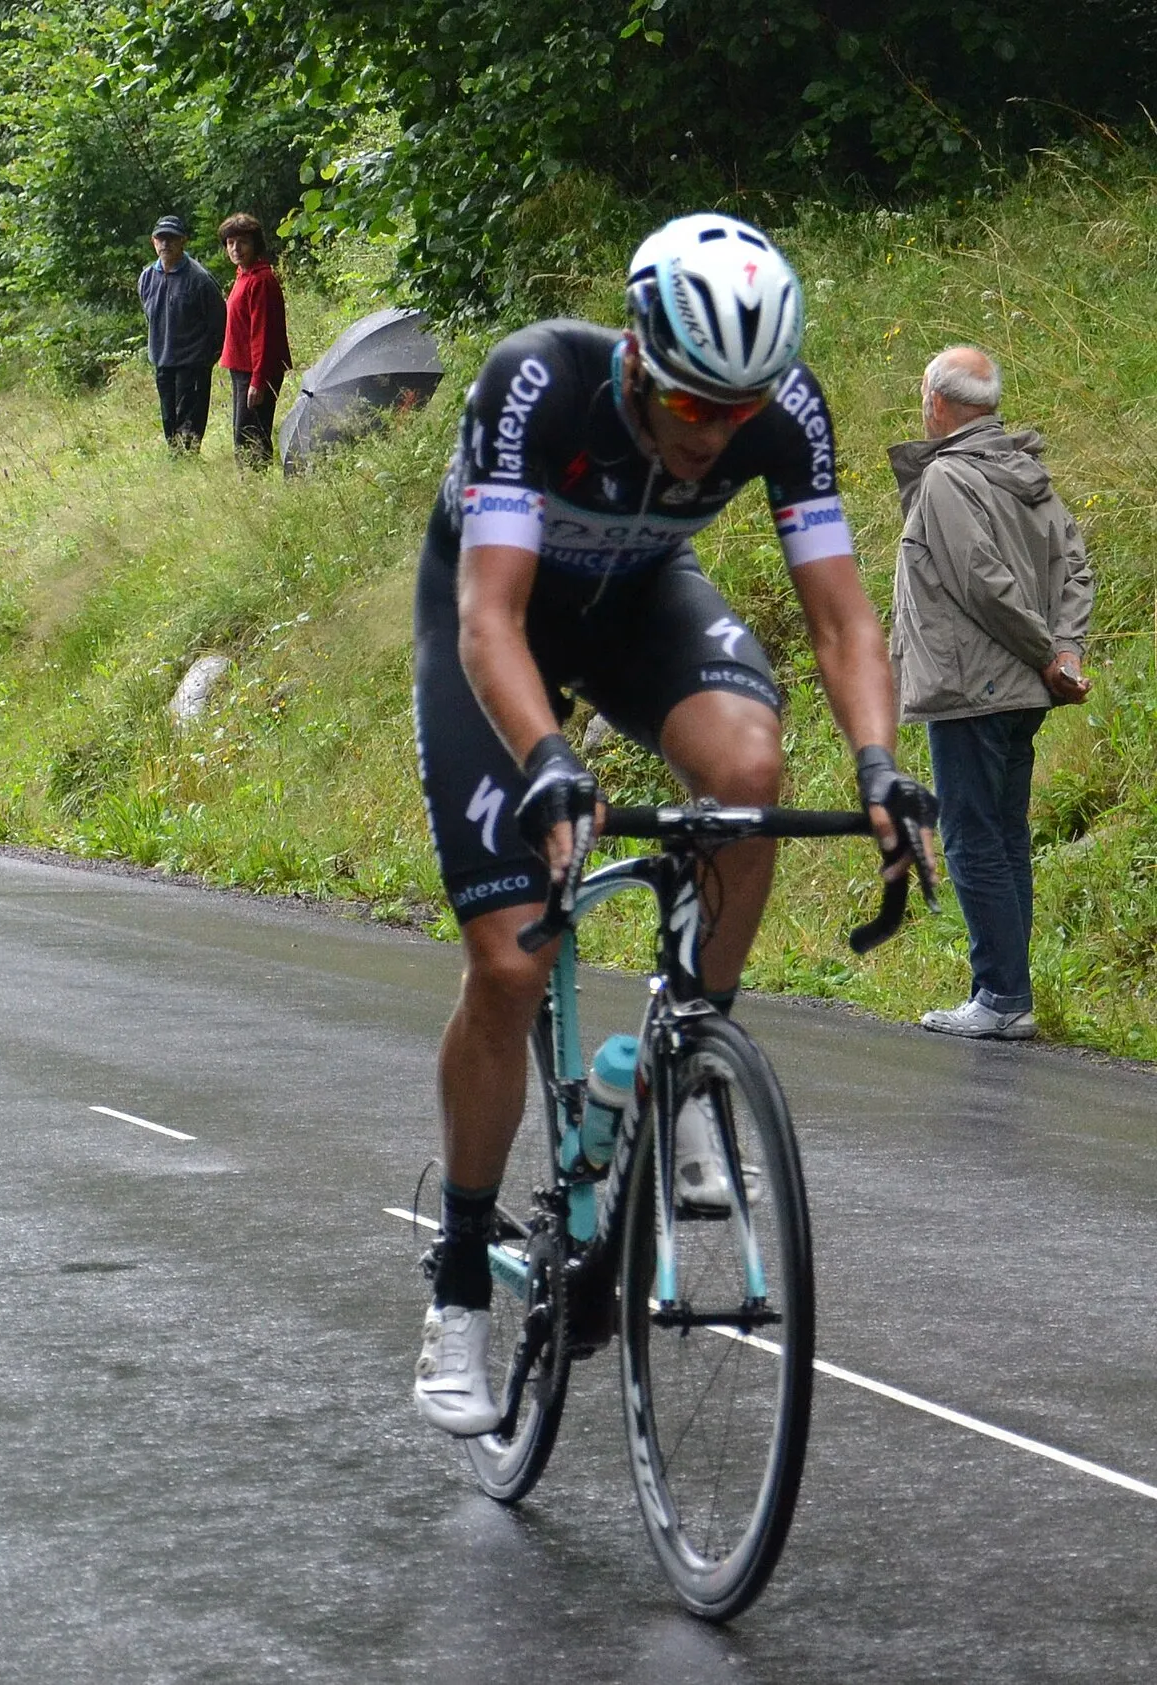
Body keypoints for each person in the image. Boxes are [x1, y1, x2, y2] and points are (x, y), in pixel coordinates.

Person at [408, 213, 935, 1436]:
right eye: (692, 405)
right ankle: (457, 1289)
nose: (712, 438)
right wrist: (546, 757)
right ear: (637, 358)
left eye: (735, 415)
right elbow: (490, 617)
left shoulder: (779, 407)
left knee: (749, 774)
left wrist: (879, 764)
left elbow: (844, 622)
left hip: (639, 610)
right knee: (507, 961)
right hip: (498, 623)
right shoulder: (535, 380)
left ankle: (681, 1062)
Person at [890, 347, 1093, 1041]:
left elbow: (980, 582)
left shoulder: (947, 477)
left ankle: (1001, 994)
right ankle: (1009, 992)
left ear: (938, 403)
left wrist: (1049, 654)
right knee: (1004, 838)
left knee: (973, 836)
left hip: (971, 689)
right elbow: (1076, 568)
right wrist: (1064, 654)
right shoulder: (1027, 472)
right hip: (1018, 692)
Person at [137, 216, 226, 452]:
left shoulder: (199, 279)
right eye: (161, 238)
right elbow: (151, 315)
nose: (166, 243)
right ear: (153, 241)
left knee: (190, 422)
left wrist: (206, 359)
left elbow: (218, 321)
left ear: (183, 240)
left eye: (172, 238)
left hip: (193, 363)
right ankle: (175, 459)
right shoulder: (146, 277)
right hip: (162, 361)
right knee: (168, 418)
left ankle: (189, 461)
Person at [217, 213, 292, 468]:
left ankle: (255, 488)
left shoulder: (261, 280)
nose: (235, 249)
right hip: (242, 369)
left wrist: (258, 381)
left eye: (242, 242)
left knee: (251, 434)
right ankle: (249, 485)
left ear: (255, 244)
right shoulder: (244, 276)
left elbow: (263, 334)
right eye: (230, 243)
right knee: (243, 432)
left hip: (256, 370)